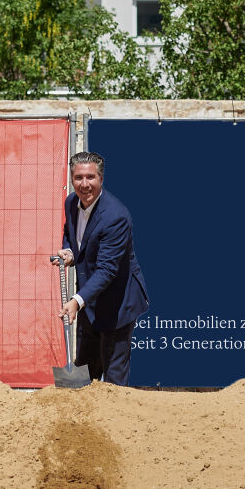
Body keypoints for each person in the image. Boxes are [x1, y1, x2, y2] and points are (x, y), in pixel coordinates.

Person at [58, 151, 149, 385]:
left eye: (90, 177)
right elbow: (71, 233)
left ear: (101, 178)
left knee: (113, 379)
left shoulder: (116, 217)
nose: (84, 184)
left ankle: (116, 409)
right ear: (71, 179)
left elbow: (107, 269)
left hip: (117, 303)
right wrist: (69, 251)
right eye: (78, 177)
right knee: (83, 372)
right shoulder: (71, 202)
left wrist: (76, 301)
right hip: (88, 301)